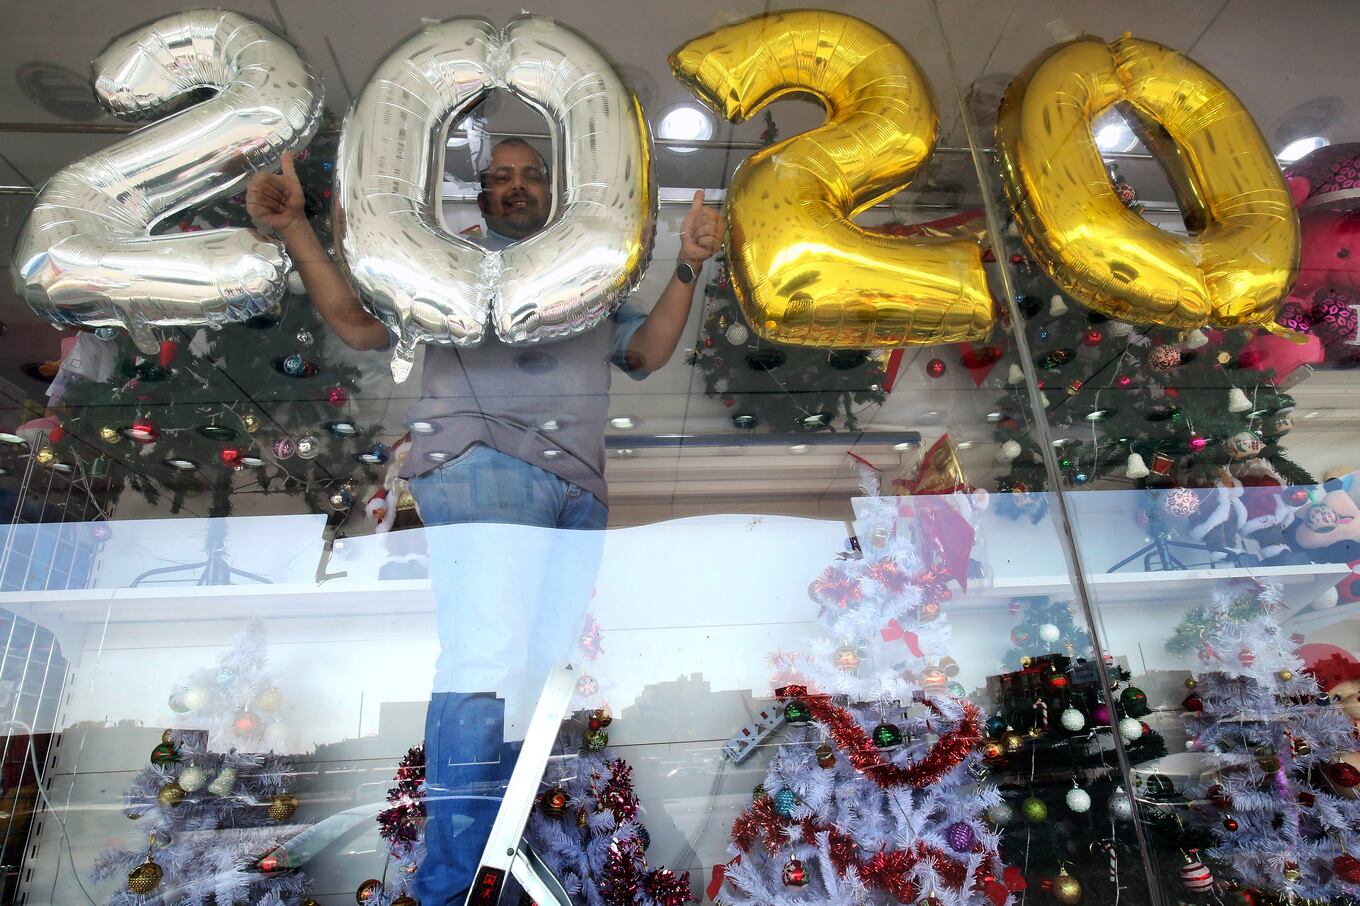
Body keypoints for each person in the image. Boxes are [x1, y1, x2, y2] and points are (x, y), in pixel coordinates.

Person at [247, 137, 720, 904]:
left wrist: (689, 266)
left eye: (533, 176)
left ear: (555, 195)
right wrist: (299, 230)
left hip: (579, 486)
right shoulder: (451, 263)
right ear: (482, 195)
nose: (518, 186)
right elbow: (360, 325)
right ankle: (450, 888)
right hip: (482, 462)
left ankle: (493, 871)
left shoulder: (590, 272)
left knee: (540, 681)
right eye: (501, 176)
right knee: (486, 662)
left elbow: (643, 353)